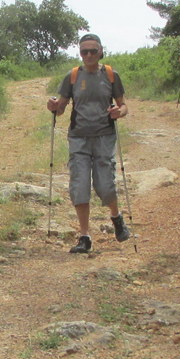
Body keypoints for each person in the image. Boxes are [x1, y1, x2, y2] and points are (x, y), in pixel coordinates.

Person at [46, 33, 131, 253]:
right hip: (79, 138)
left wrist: (118, 113)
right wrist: (54, 106)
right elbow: (62, 107)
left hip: (104, 136)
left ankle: (116, 217)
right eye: (85, 51)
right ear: (80, 53)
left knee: (105, 186)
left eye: (93, 50)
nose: (89, 55)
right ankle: (84, 236)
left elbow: (123, 105)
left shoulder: (111, 75)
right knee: (80, 186)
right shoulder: (73, 76)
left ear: (101, 51)